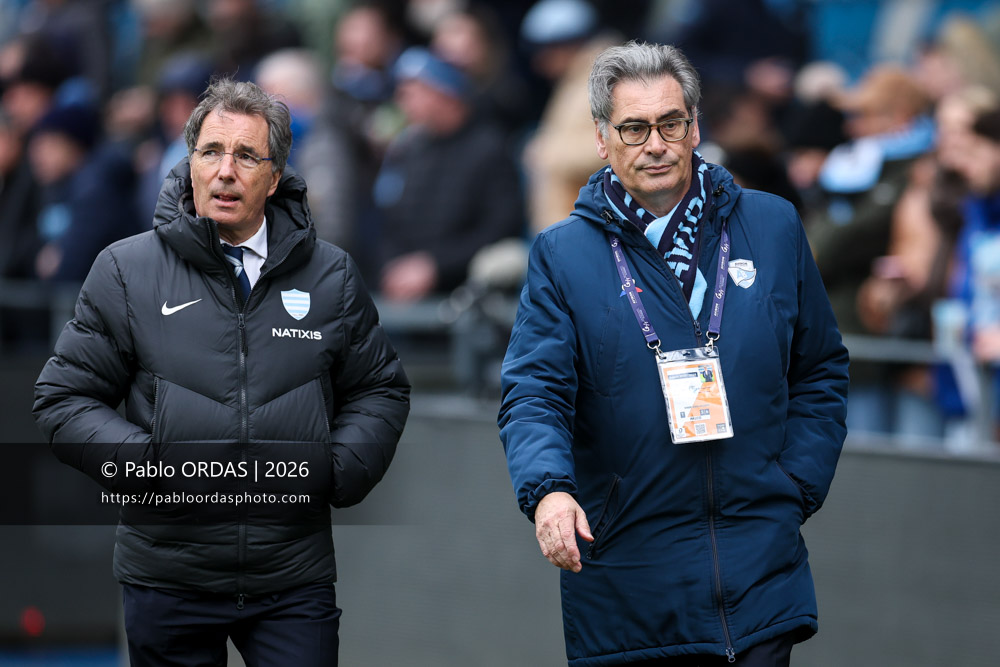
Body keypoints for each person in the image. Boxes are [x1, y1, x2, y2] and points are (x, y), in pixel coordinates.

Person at [33, 78, 410, 666]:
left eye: (246, 156)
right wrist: (149, 465)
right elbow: (62, 400)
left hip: (292, 575)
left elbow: (379, 389)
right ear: (190, 164)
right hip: (168, 576)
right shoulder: (126, 270)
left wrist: (336, 469)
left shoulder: (330, 275)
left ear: (275, 176)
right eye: (210, 152)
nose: (225, 171)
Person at [498, 41, 849, 666]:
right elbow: (534, 394)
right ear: (603, 139)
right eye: (633, 128)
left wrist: (794, 486)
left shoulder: (772, 226)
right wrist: (548, 490)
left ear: (694, 127)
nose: (655, 144)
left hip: (759, 571)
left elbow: (820, 369)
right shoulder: (562, 253)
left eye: (670, 123)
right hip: (628, 576)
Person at [373, 46, 523, 302]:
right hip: (405, 297)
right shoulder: (408, 149)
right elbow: (390, 222)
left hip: (468, 298)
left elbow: (500, 229)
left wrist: (435, 267)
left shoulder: (490, 149)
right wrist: (396, 268)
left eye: (413, 92)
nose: (402, 100)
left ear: (446, 93)